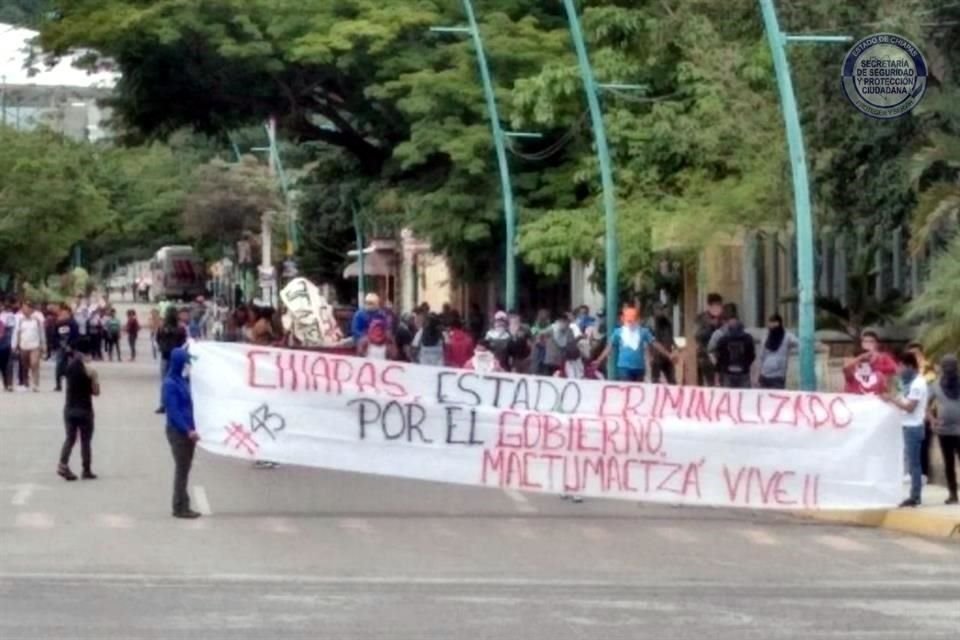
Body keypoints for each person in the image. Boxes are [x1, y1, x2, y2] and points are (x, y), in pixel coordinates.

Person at [883, 352, 929, 508]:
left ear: (909, 366)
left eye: (901, 366)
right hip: (907, 426)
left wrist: (892, 400)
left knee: (914, 464)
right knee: (910, 463)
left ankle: (915, 496)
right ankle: (914, 495)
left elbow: (910, 407)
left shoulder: (918, 384)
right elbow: (903, 400)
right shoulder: (907, 383)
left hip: (913, 427)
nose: (899, 370)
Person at [162, 347, 202, 519]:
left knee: (185, 469)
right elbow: (173, 411)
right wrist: (187, 430)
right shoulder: (170, 384)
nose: (188, 364)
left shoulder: (182, 380)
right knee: (182, 469)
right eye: (186, 362)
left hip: (188, 431)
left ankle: (183, 503)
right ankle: (179, 506)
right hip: (179, 432)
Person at [594, 307, 676, 382]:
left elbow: (655, 344)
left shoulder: (643, 331)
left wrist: (669, 355)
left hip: (639, 368)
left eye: (632, 320)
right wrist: (599, 360)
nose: (630, 323)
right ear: (623, 319)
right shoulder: (618, 332)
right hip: (624, 368)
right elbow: (609, 347)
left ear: (637, 320)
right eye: (628, 321)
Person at [58, 337, 100, 481]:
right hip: (85, 409)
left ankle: (62, 464)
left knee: (70, 438)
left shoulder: (69, 366)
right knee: (85, 441)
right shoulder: (91, 369)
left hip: (69, 407)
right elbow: (96, 392)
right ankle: (86, 469)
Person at [930, 354, 960, 505]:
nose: (949, 368)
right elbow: (925, 404)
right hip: (944, 431)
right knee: (949, 464)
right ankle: (953, 494)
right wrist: (932, 419)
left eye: (952, 365)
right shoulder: (936, 385)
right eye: (946, 365)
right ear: (942, 368)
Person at [907, 342, 937, 484]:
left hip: (925, 411)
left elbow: (931, 392)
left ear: (921, 353)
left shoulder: (928, 369)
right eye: (911, 354)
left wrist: (927, 412)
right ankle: (911, 473)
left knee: (923, 444)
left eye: (916, 353)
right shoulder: (907, 370)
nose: (914, 356)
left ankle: (924, 474)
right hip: (909, 413)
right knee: (910, 445)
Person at [842, 331, 897, 395]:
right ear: (862, 343)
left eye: (871, 341)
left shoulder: (883, 357)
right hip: (854, 394)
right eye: (865, 341)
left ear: (877, 344)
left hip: (874, 390)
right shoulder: (856, 358)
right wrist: (861, 358)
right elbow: (846, 369)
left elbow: (894, 368)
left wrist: (873, 368)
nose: (868, 344)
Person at [155, 307, 187, 414]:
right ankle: (172, 404)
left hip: (167, 356)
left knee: (166, 382)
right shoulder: (180, 327)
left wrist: (162, 347)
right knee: (176, 381)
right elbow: (184, 341)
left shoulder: (164, 327)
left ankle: (164, 405)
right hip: (174, 357)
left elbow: (157, 339)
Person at [714, 311, 756, 389]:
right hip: (743, 372)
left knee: (729, 397)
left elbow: (719, 358)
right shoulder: (748, 338)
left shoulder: (723, 339)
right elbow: (752, 356)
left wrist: (717, 375)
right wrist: (746, 365)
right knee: (744, 396)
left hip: (727, 372)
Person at [757, 314, 798, 389]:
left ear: (778, 323)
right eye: (770, 322)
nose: (770, 325)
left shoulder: (787, 336)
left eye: (772, 322)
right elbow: (761, 356)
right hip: (765, 375)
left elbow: (799, 344)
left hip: (778, 375)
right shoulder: (766, 336)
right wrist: (759, 373)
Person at [14, 300, 46, 392]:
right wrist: (16, 345)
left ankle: (35, 384)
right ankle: (25, 383)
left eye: (27, 308)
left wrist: (44, 345)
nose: (25, 310)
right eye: (24, 308)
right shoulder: (20, 320)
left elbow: (41, 333)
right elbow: (18, 333)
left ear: (31, 309)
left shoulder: (37, 320)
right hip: (24, 345)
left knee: (34, 363)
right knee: (24, 365)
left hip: (35, 345)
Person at [695, 293, 725, 387]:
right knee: (704, 384)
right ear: (709, 306)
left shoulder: (723, 318)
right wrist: (710, 327)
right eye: (715, 305)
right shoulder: (701, 318)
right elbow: (696, 335)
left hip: (720, 356)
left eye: (719, 305)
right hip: (703, 355)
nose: (717, 308)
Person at [53, 304, 79, 391]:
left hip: (71, 347)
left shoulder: (73, 323)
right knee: (59, 365)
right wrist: (59, 344)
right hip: (61, 347)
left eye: (65, 313)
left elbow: (76, 336)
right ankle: (58, 384)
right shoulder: (58, 324)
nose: (63, 315)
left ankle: (71, 384)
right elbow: (55, 336)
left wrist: (70, 346)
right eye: (62, 313)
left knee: (71, 366)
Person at [650, 304, 677, 385]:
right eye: (658, 310)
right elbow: (651, 341)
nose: (661, 312)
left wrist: (675, 348)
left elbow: (670, 338)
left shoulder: (668, 323)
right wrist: (650, 356)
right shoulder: (653, 324)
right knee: (655, 380)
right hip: (657, 356)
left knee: (672, 381)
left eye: (662, 310)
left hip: (668, 356)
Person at [0, 300, 15, 392]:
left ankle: (8, 384)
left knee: (6, 366)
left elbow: (6, 332)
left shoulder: (8, 316)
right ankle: (6, 384)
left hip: (5, 345)